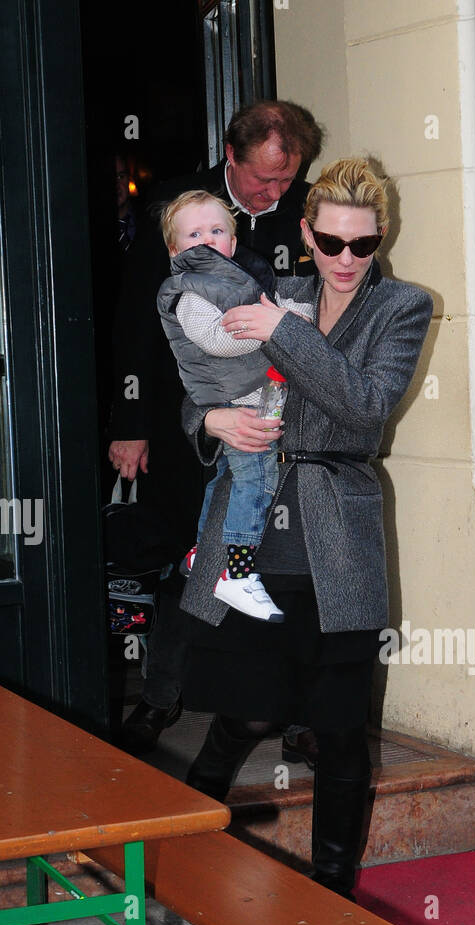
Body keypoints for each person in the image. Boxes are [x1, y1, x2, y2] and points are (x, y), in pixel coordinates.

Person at [177, 157, 433, 897]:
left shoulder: (402, 307)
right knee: (244, 714)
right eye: (330, 243)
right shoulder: (269, 293)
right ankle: (173, 845)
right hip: (258, 531)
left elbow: (364, 405)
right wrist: (210, 419)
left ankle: (331, 893)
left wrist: (283, 335)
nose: (345, 260)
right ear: (306, 234)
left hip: (338, 532)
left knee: (342, 730)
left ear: (381, 237)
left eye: (361, 245)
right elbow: (197, 376)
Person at [114, 100, 324, 751]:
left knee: (290, 570)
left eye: (287, 180)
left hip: (288, 427)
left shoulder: (313, 212)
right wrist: (130, 422)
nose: (276, 192)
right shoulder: (180, 210)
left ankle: (300, 716)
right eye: (263, 180)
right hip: (198, 426)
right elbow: (135, 323)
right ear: (230, 157)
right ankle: (161, 698)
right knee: (195, 560)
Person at [156, 190, 316, 622]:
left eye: (217, 230)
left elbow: (270, 309)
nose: (207, 240)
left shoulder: (237, 278)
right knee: (257, 479)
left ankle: (200, 548)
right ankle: (238, 572)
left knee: (227, 478)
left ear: (232, 240)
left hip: (247, 393)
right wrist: (273, 330)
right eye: (194, 234)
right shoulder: (188, 290)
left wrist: (290, 315)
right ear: (175, 249)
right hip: (234, 401)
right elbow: (216, 340)